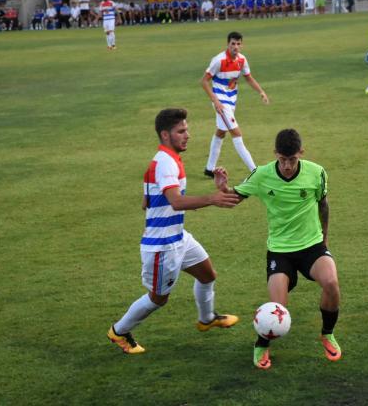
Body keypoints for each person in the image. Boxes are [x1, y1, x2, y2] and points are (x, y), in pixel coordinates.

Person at [107, 108, 241, 354]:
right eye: (181, 131)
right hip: (162, 245)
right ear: (165, 135)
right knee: (158, 299)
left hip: (179, 237)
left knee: (207, 274)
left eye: (186, 130)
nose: (187, 135)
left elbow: (148, 201)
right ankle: (119, 331)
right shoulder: (166, 163)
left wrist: (217, 190)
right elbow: (176, 202)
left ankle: (206, 318)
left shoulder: (165, 160)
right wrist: (211, 199)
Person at [213, 128, 342, 370]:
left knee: (332, 284)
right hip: (280, 251)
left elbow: (323, 205)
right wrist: (224, 189)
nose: (287, 166)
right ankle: (261, 345)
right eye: (282, 160)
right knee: (276, 310)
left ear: (300, 154)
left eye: (292, 160)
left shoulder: (317, 173)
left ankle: (327, 334)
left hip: (312, 246)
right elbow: (234, 199)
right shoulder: (261, 175)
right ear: (275, 155)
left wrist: (324, 239)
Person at [202, 32, 269, 177]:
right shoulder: (219, 60)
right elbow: (204, 81)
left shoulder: (242, 60)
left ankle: (209, 168)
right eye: (233, 44)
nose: (236, 47)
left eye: (238, 44)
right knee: (237, 134)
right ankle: (255, 171)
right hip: (221, 103)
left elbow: (249, 78)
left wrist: (261, 92)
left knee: (221, 132)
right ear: (228, 44)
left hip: (231, 101)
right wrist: (216, 101)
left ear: (242, 45)